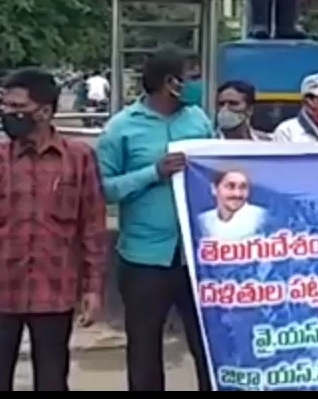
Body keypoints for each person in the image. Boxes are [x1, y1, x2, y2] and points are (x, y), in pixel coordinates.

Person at [0, 69, 106, 391]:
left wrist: (93, 289)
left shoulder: (79, 159)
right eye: (5, 107)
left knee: (53, 382)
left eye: (17, 108)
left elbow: (92, 229)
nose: (7, 115)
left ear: (43, 111)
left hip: (54, 293)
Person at [96, 46, 215, 391]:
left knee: (208, 346)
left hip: (195, 258)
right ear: (171, 83)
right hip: (144, 259)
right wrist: (153, 172)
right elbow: (103, 190)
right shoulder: (120, 129)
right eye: (193, 77)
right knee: (145, 350)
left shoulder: (199, 120)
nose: (199, 84)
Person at [198, 168, 267, 241]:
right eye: (230, 186)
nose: (237, 194)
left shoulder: (261, 217)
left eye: (243, 187)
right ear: (214, 189)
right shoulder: (204, 220)